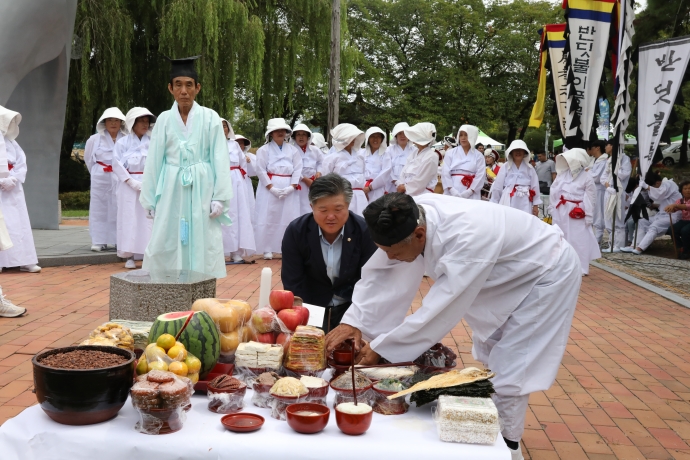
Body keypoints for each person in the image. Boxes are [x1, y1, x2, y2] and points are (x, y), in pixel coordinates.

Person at [325, 193, 581, 460]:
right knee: (494, 355)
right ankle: (490, 432)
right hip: (505, 271)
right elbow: (383, 272)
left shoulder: (467, 239)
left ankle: (507, 447)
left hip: (546, 275)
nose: (389, 256)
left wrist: (381, 347)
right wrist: (355, 321)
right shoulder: (406, 213)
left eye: (392, 251)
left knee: (513, 368)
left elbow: (439, 311)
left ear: (420, 235)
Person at [140, 56, 233, 279]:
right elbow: (154, 160)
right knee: (167, 234)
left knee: (203, 235)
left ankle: (201, 286)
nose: (184, 91)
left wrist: (219, 197)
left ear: (197, 88)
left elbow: (220, 157)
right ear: (170, 88)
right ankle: (168, 285)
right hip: (171, 187)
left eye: (189, 85)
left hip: (202, 186)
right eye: (178, 85)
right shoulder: (163, 119)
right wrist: (150, 198)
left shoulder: (211, 118)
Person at [281, 173, 378, 331]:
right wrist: (308, 323)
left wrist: (353, 322)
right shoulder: (296, 231)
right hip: (310, 308)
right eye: (323, 210)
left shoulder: (364, 231)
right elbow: (293, 281)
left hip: (352, 309)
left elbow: (370, 281)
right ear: (312, 207)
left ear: (348, 205)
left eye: (338, 209)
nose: (331, 217)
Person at [112, 107, 156, 269]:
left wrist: (151, 182)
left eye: (147, 122)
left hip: (148, 183)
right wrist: (131, 182)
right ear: (133, 123)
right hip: (128, 186)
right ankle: (129, 255)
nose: (145, 125)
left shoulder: (153, 142)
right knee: (129, 217)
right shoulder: (122, 142)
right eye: (141, 121)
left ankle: (147, 254)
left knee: (148, 219)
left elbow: (158, 163)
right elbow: (116, 164)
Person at [253, 118, 303, 259]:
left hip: (288, 184)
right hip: (270, 185)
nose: (280, 133)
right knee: (269, 215)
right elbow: (260, 170)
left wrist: (292, 186)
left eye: (282, 130)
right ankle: (267, 248)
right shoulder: (263, 150)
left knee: (288, 216)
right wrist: (271, 187)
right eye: (277, 131)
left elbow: (298, 168)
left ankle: (285, 247)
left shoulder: (293, 150)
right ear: (271, 133)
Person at [0, 106, 40, 273]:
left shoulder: (12, 143)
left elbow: (21, 162)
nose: (11, 124)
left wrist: (13, 178)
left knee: (19, 223)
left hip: (13, 188)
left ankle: (25, 259)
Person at [549, 149, 601, 275]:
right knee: (561, 236)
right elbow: (554, 190)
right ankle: (561, 265)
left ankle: (581, 267)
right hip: (561, 208)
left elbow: (591, 197)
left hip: (577, 211)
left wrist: (589, 214)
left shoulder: (587, 177)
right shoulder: (562, 175)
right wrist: (552, 207)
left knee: (579, 238)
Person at [85, 107, 127, 252]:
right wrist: (98, 172)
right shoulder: (94, 139)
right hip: (101, 176)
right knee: (99, 208)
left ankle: (118, 240)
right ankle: (99, 240)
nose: (113, 123)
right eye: (110, 120)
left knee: (119, 206)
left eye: (116, 120)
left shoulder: (126, 139)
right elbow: (89, 159)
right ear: (104, 122)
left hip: (120, 176)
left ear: (121, 122)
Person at [621, 170, 682, 255]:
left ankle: (640, 248)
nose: (651, 189)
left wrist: (647, 186)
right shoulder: (660, 187)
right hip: (661, 214)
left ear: (657, 183)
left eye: (652, 186)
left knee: (655, 226)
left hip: (673, 216)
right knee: (641, 221)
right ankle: (634, 245)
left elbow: (659, 193)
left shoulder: (669, 184)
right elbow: (655, 196)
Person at [221, 119, 256, 263]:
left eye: (225, 126)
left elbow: (243, 164)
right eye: (220, 126)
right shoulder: (209, 144)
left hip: (236, 181)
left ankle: (236, 252)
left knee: (237, 214)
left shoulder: (234, 144)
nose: (223, 129)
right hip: (220, 179)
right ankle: (220, 251)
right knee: (221, 215)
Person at [319, 123, 368, 215]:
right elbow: (326, 180)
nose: (353, 140)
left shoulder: (360, 157)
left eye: (354, 137)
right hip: (341, 196)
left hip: (360, 196)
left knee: (362, 222)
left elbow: (363, 175)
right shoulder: (331, 158)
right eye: (350, 137)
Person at [490, 140, 541, 216]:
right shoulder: (505, 166)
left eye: (521, 150)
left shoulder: (530, 168)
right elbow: (498, 185)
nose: (518, 152)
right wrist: (494, 202)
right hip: (508, 198)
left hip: (525, 200)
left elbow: (535, 186)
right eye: (515, 150)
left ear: (525, 153)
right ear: (511, 152)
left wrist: (536, 205)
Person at [600, 141, 632, 253]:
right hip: (609, 191)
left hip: (618, 191)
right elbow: (603, 177)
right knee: (608, 218)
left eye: (607, 145)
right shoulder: (608, 160)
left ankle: (618, 245)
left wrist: (614, 168)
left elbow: (624, 174)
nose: (605, 147)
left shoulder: (624, 158)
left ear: (612, 146)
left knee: (618, 219)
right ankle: (611, 244)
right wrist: (607, 185)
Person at [441, 125, 486, 199]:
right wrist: (452, 190)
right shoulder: (450, 153)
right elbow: (445, 172)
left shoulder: (479, 156)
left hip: (470, 189)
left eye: (466, 135)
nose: (463, 138)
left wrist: (470, 191)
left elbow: (481, 175)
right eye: (461, 135)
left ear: (472, 136)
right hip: (452, 187)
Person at [396, 123, 439, 196]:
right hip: (406, 193)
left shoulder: (431, 156)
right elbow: (403, 171)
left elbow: (421, 180)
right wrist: (401, 184)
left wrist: (405, 187)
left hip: (422, 195)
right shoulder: (414, 153)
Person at [291, 124, 323, 216]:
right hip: (297, 182)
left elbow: (321, 162)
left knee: (312, 204)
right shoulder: (291, 150)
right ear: (294, 137)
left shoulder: (315, 150)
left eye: (304, 134)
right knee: (298, 206)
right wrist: (304, 179)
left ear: (308, 136)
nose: (301, 137)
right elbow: (291, 167)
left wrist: (319, 172)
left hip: (313, 182)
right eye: (298, 134)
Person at [587, 140, 608, 244]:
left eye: (592, 148)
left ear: (597, 148)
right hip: (593, 190)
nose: (591, 151)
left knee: (598, 215)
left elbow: (596, 178)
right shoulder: (595, 160)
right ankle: (593, 239)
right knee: (593, 214)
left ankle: (597, 240)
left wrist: (588, 171)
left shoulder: (604, 161)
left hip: (600, 190)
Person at [386, 122, 417, 194]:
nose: (402, 136)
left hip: (409, 188)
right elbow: (387, 169)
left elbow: (417, 170)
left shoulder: (415, 151)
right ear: (396, 136)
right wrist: (397, 183)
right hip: (392, 187)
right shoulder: (389, 150)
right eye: (400, 133)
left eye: (405, 133)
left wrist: (406, 185)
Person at [361, 127, 390, 203]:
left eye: (378, 137)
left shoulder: (386, 155)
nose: (375, 139)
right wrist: (363, 187)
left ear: (382, 139)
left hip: (378, 189)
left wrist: (370, 187)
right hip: (362, 188)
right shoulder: (361, 153)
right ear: (368, 139)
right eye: (373, 136)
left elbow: (385, 173)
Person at [665, 180, 690, 259]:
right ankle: (680, 247)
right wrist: (670, 209)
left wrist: (675, 205)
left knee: (685, 231)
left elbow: (686, 206)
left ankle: (687, 251)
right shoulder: (680, 200)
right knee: (671, 229)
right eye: (685, 189)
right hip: (684, 220)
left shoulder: (679, 203)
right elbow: (676, 208)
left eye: (689, 188)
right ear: (681, 191)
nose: (688, 190)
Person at [234, 134, 256, 221]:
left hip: (246, 183)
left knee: (248, 206)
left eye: (241, 143)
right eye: (237, 143)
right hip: (233, 183)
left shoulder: (250, 156)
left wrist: (248, 162)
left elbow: (254, 172)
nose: (239, 145)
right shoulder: (227, 156)